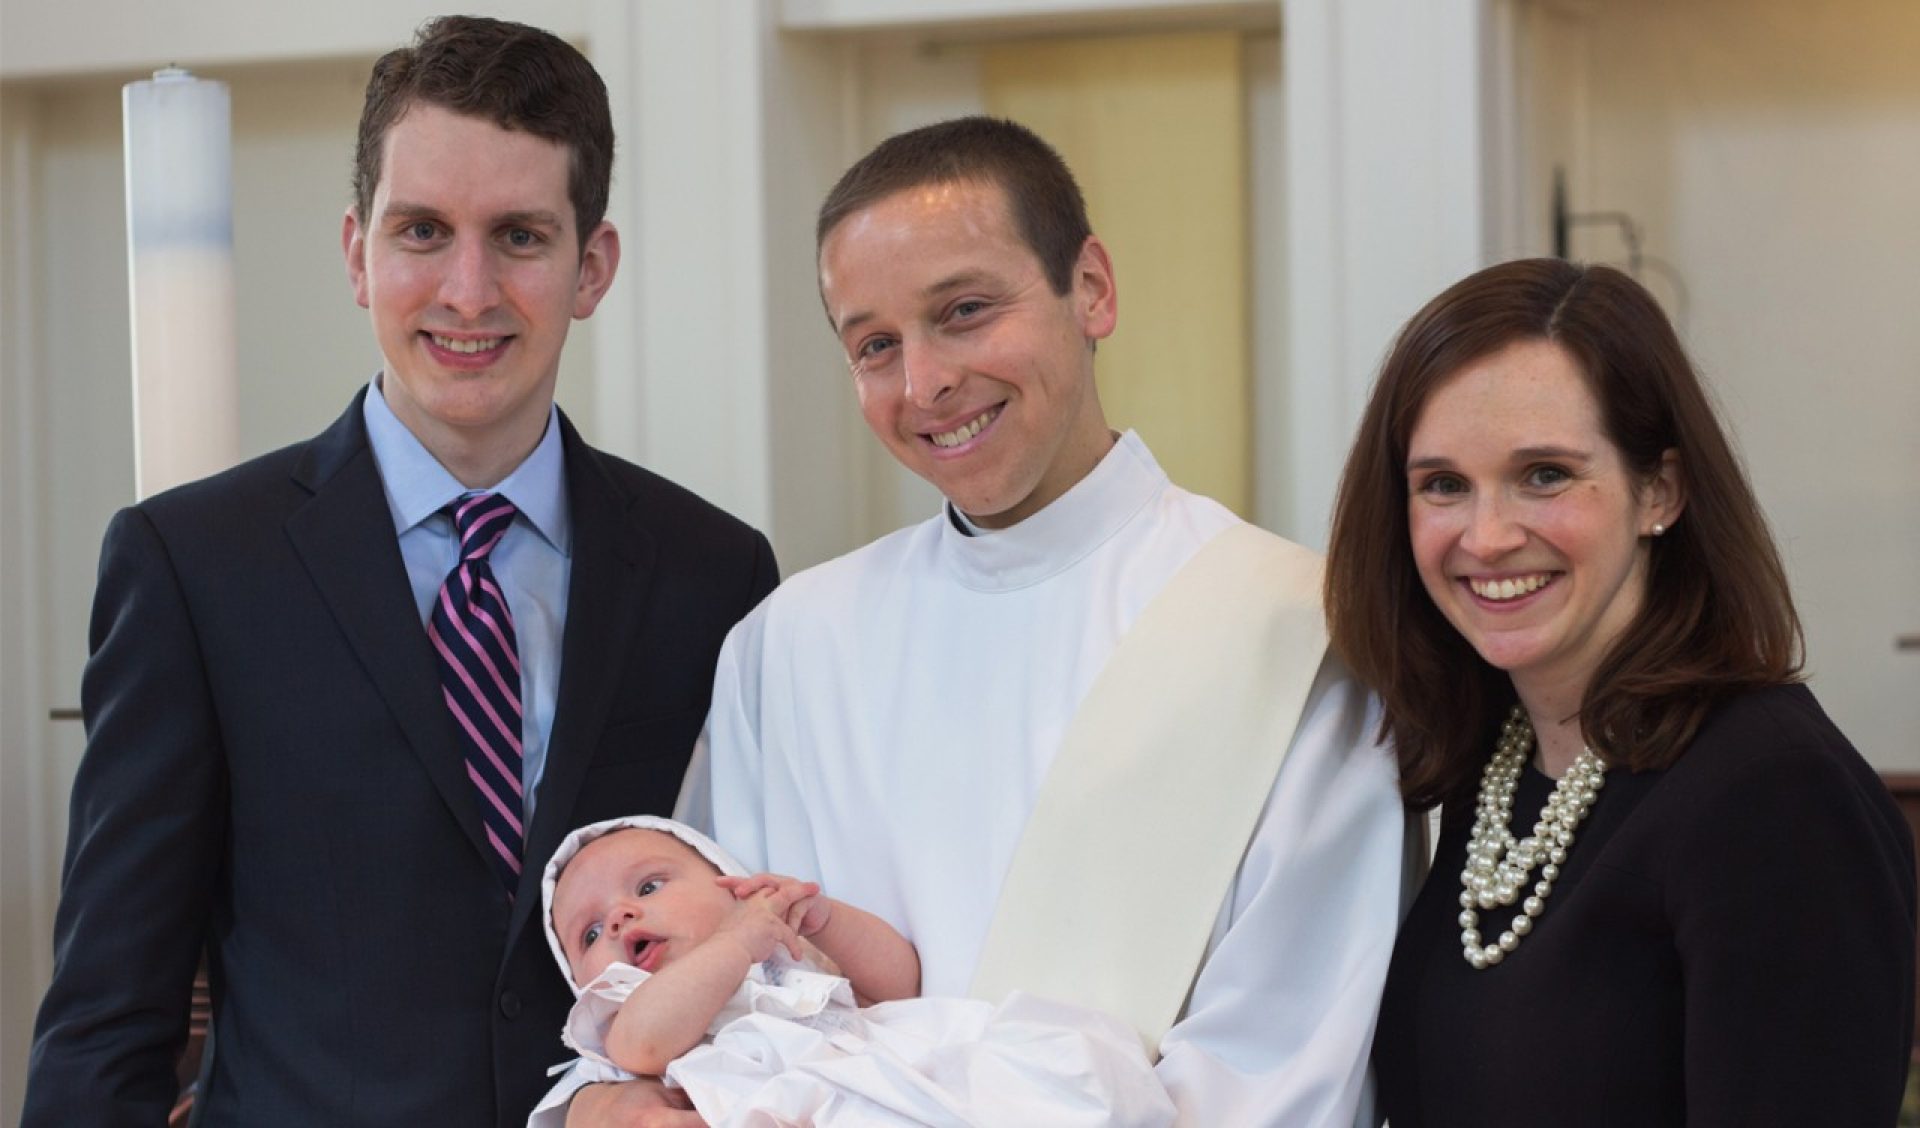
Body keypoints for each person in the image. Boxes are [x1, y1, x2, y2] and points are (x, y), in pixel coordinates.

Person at [567, 116, 1411, 1127]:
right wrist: (601, 1105)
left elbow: (1287, 1068)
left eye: (964, 311)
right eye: (876, 345)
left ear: (1090, 287)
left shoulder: (1290, 630)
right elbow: (688, 1011)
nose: (925, 383)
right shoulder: (790, 645)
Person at [24, 16, 775, 1126]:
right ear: (356, 253)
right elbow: (108, 1010)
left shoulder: (714, 572)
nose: (466, 291)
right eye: (423, 231)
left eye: (520, 235)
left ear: (592, 266)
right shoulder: (194, 567)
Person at [1324, 258, 1916, 1126]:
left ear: (1660, 492)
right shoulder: (1497, 763)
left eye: (1546, 475)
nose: (1486, 537)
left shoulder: (1775, 795)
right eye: (1444, 484)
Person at [530, 816, 1175, 1127]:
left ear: (731, 883)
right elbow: (643, 1043)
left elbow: (896, 987)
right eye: (588, 933)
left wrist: (821, 920)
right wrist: (733, 946)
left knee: (1044, 1077)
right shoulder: (621, 1023)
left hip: (886, 1081)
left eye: (649, 885)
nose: (618, 918)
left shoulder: (781, 962)